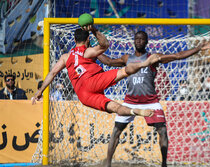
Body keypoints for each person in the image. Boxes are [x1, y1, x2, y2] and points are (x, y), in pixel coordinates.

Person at [99, 31, 210, 167]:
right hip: (130, 101)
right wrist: (94, 52)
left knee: (162, 131)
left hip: (150, 101)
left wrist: (198, 48)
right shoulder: (127, 58)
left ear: (146, 42)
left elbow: (177, 55)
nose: (139, 41)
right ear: (134, 41)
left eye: (142, 39)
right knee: (116, 131)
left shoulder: (153, 58)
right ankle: (108, 163)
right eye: (137, 39)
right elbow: (109, 62)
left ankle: (164, 164)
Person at [31, 25, 161, 118]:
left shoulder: (65, 57)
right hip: (92, 81)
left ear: (75, 40)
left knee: (114, 108)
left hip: (83, 95)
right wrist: (93, 29)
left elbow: (52, 73)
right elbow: (105, 44)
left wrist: (39, 91)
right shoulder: (87, 52)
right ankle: (144, 63)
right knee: (123, 72)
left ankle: (134, 111)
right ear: (87, 40)